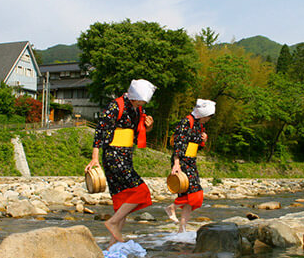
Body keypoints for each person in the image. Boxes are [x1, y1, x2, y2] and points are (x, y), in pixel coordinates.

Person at [86, 79, 156, 247]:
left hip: (126, 155)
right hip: (113, 155)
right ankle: (112, 223)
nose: (142, 103)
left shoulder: (138, 108)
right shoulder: (115, 106)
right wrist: (95, 158)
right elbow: (100, 131)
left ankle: (112, 245)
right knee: (141, 191)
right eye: (141, 100)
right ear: (134, 96)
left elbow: (139, 131)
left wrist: (149, 126)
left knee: (122, 200)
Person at [166, 99, 215, 232]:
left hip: (191, 160)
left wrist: (203, 140)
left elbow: (196, 146)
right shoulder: (186, 122)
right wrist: (176, 164)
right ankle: (172, 207)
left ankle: (182, 228)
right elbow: (178, 143)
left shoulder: (198, 125)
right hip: (182, 160)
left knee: (190, 197)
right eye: (208, 116)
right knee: (195, 193)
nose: (208, 119)